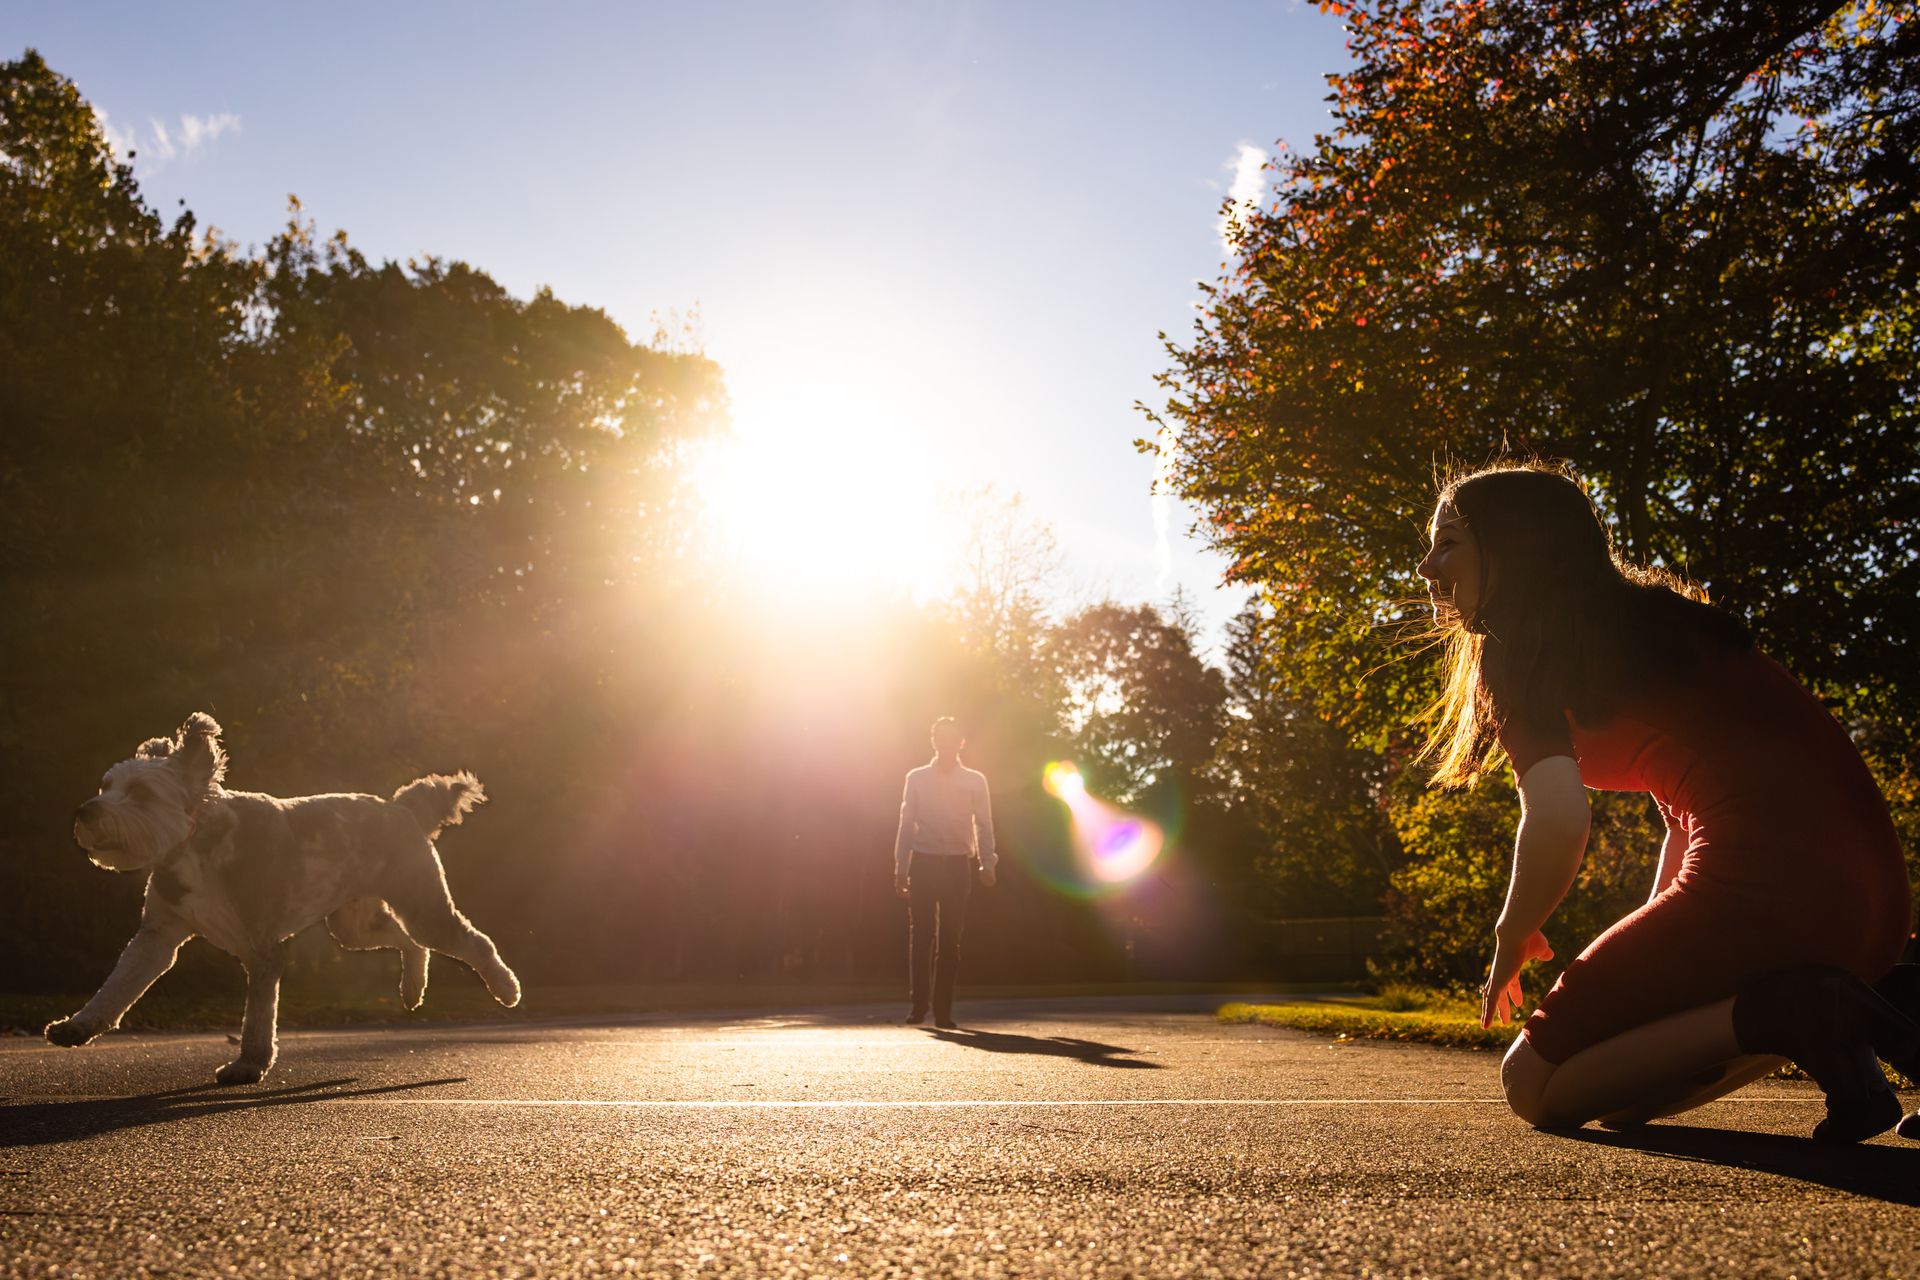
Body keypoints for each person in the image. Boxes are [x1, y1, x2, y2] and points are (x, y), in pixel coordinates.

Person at [1414, 462, 1920, 1142]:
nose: (1426, 567)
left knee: (1531, 1086)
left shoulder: (1518, 653)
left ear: (1513, 547)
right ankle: (1871, 1010)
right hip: (1879, 908)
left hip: (1765, 894)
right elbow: (1685, 819)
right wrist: (1655, 939)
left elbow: (1560, 819)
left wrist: (1513, 933)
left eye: (1447, 542)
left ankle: (1805, 1008)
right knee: (1624, 1095)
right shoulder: (1666, 627)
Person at [893, 717, 997, 1029]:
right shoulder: (917, 778)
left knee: (950, 940)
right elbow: (906, 823)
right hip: (924, 862)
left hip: (956, 865)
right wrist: (901, 869)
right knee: (922, 936)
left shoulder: (975, 780)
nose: (947, 744)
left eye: (953, 738)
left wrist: (987, 863)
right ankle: (919, 1005)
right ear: (934, 741)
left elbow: (984, 823)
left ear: (961, 742)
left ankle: (943, 1011)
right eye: (941, 738)